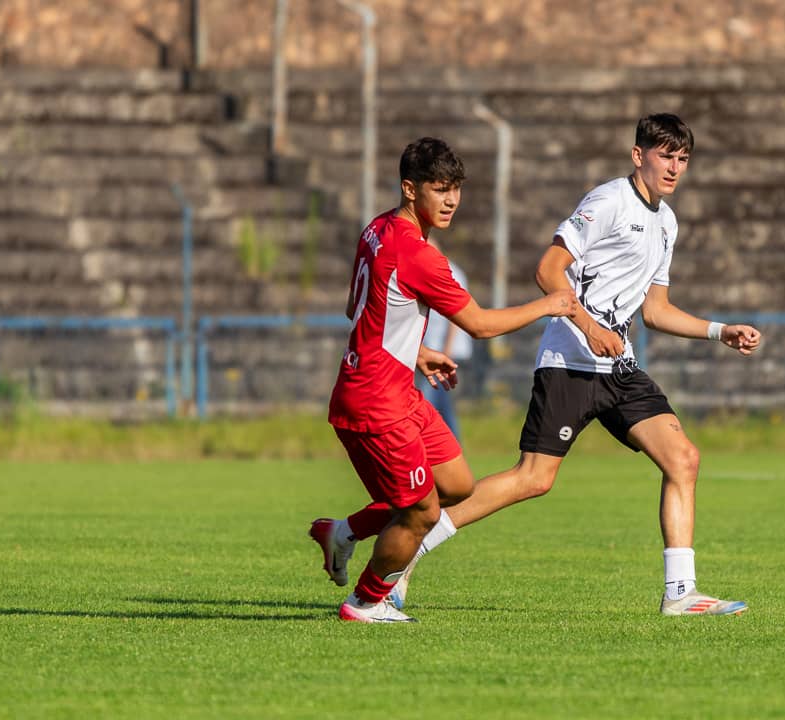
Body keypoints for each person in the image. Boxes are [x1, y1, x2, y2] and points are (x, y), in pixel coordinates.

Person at [389, 114, 762, 616]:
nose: (674, 167)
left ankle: (680, 593)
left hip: (619, 367)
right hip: (569, 361)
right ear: (639, 156)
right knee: (533, 478)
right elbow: (548, 270)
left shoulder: (667, 223)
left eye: (682, 158)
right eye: (665, 156)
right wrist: (589, 328)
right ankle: (408, 550)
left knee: (683, 459)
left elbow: (655, 311)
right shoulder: (608, 202)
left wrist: (720, 331)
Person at [308, 137, 577, 623]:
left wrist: (415, 352)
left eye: (456, 188)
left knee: (456, 484)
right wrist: (550, 304)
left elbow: (358, 310)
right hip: (376, 402)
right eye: (439, 189)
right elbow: (481, 325)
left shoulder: (376, 229)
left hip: (395, 387)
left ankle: (342, 532)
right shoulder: (420, 255)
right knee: (422, 512)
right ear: (410, 189)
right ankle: (366, 602)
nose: (451, 200)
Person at [416, 240, 473, 440]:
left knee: (427, 401)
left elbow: (456, 318)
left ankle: (432, 443)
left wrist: (446, 351)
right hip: (432, 350)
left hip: (447, 352)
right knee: (442, 405)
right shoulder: (424, 271)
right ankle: (451, 443)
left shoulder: (452, 273)